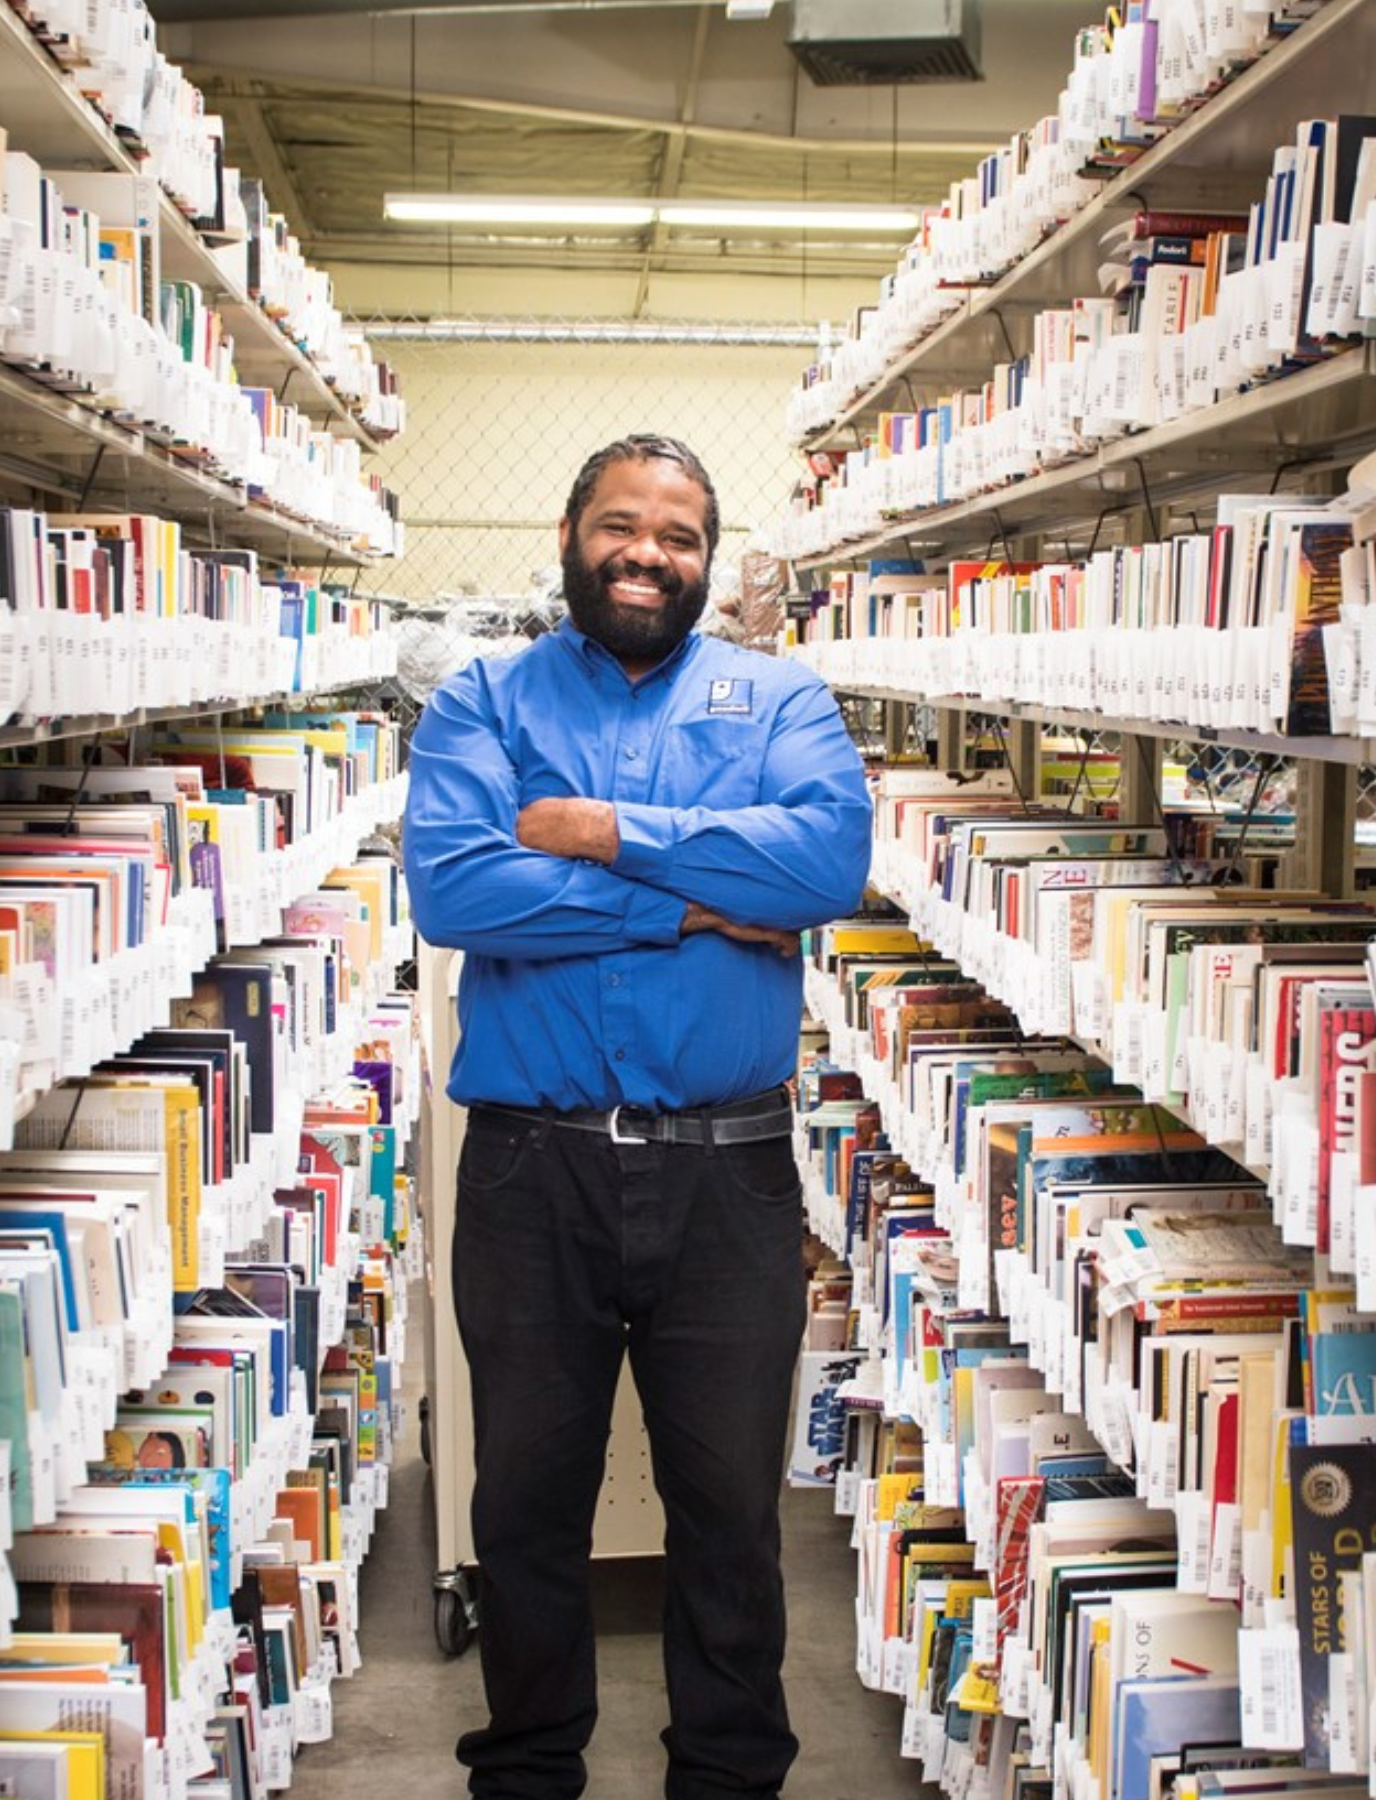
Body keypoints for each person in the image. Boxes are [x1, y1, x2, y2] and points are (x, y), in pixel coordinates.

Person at [403, 433, 873, 1800]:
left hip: (727, 1176)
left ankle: (727, 1776)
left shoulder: (782, 698)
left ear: (707, 558)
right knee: (526, 1503)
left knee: (729, 1508)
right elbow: (459, 894)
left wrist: (602, 834)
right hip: (525, 1174)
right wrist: (697, 895)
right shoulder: (479, 701)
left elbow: (825, 862)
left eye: (677, 535)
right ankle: (531, 1769)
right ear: (568, 532)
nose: (646, 555)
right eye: (622, 526)